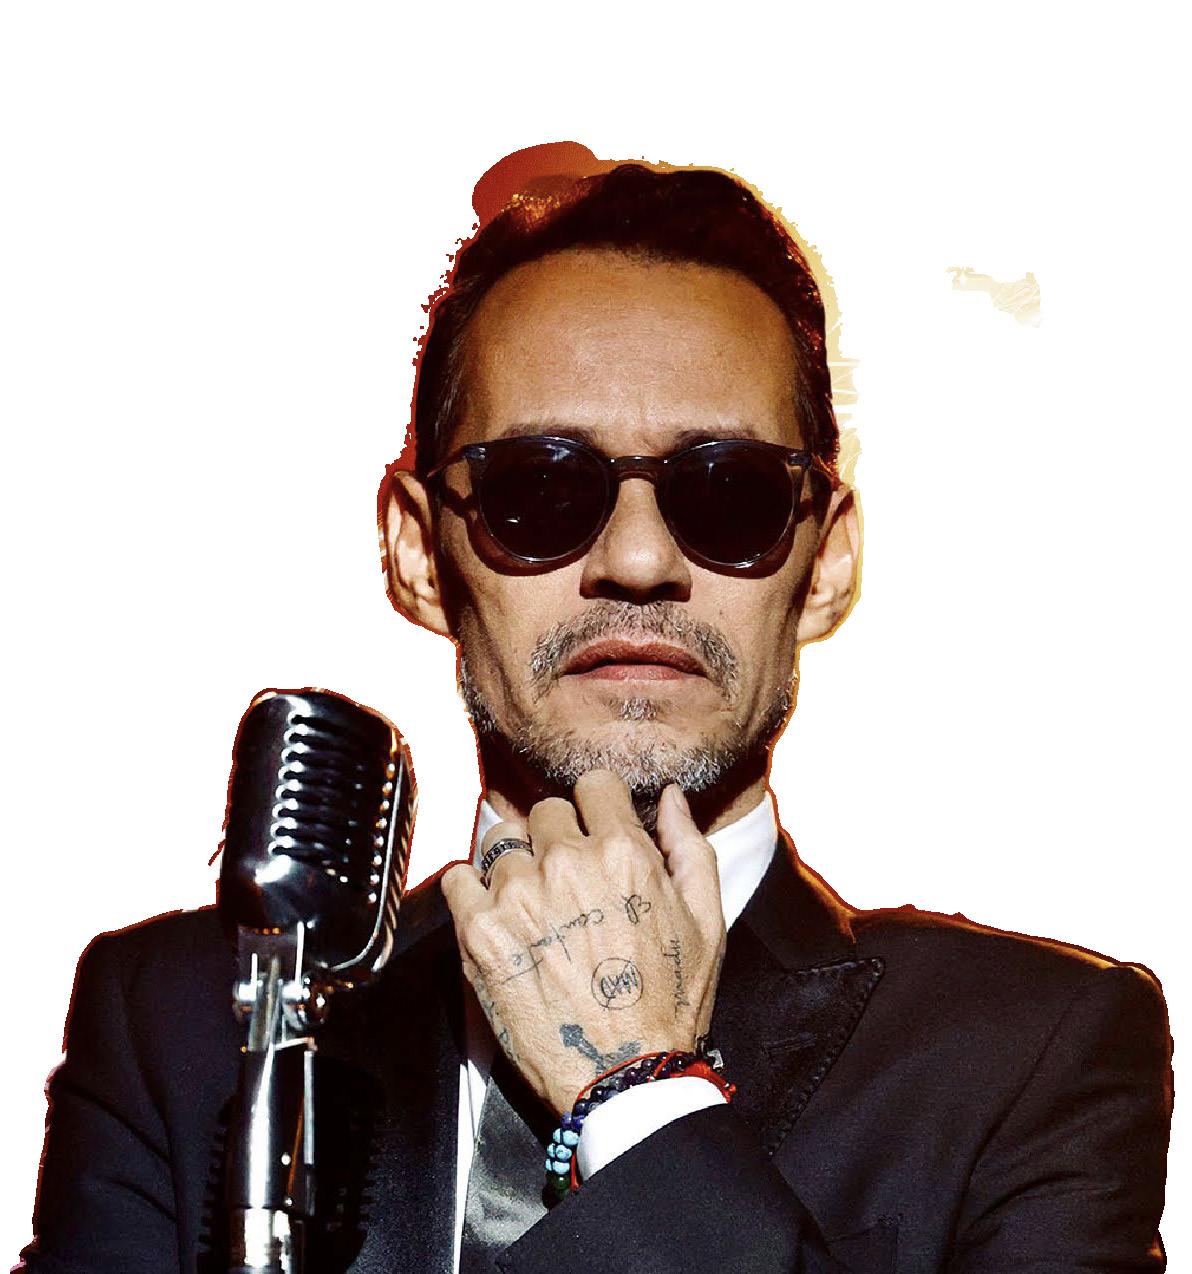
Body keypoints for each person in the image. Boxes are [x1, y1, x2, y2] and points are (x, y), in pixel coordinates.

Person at [19, 150, 1172, 1273]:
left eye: (728, 492)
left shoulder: (1027, 1052)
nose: (636, 558)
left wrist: (640, 1097)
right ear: (416, 549)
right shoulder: (183, 1024)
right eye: (539, 487)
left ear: (824, 563)